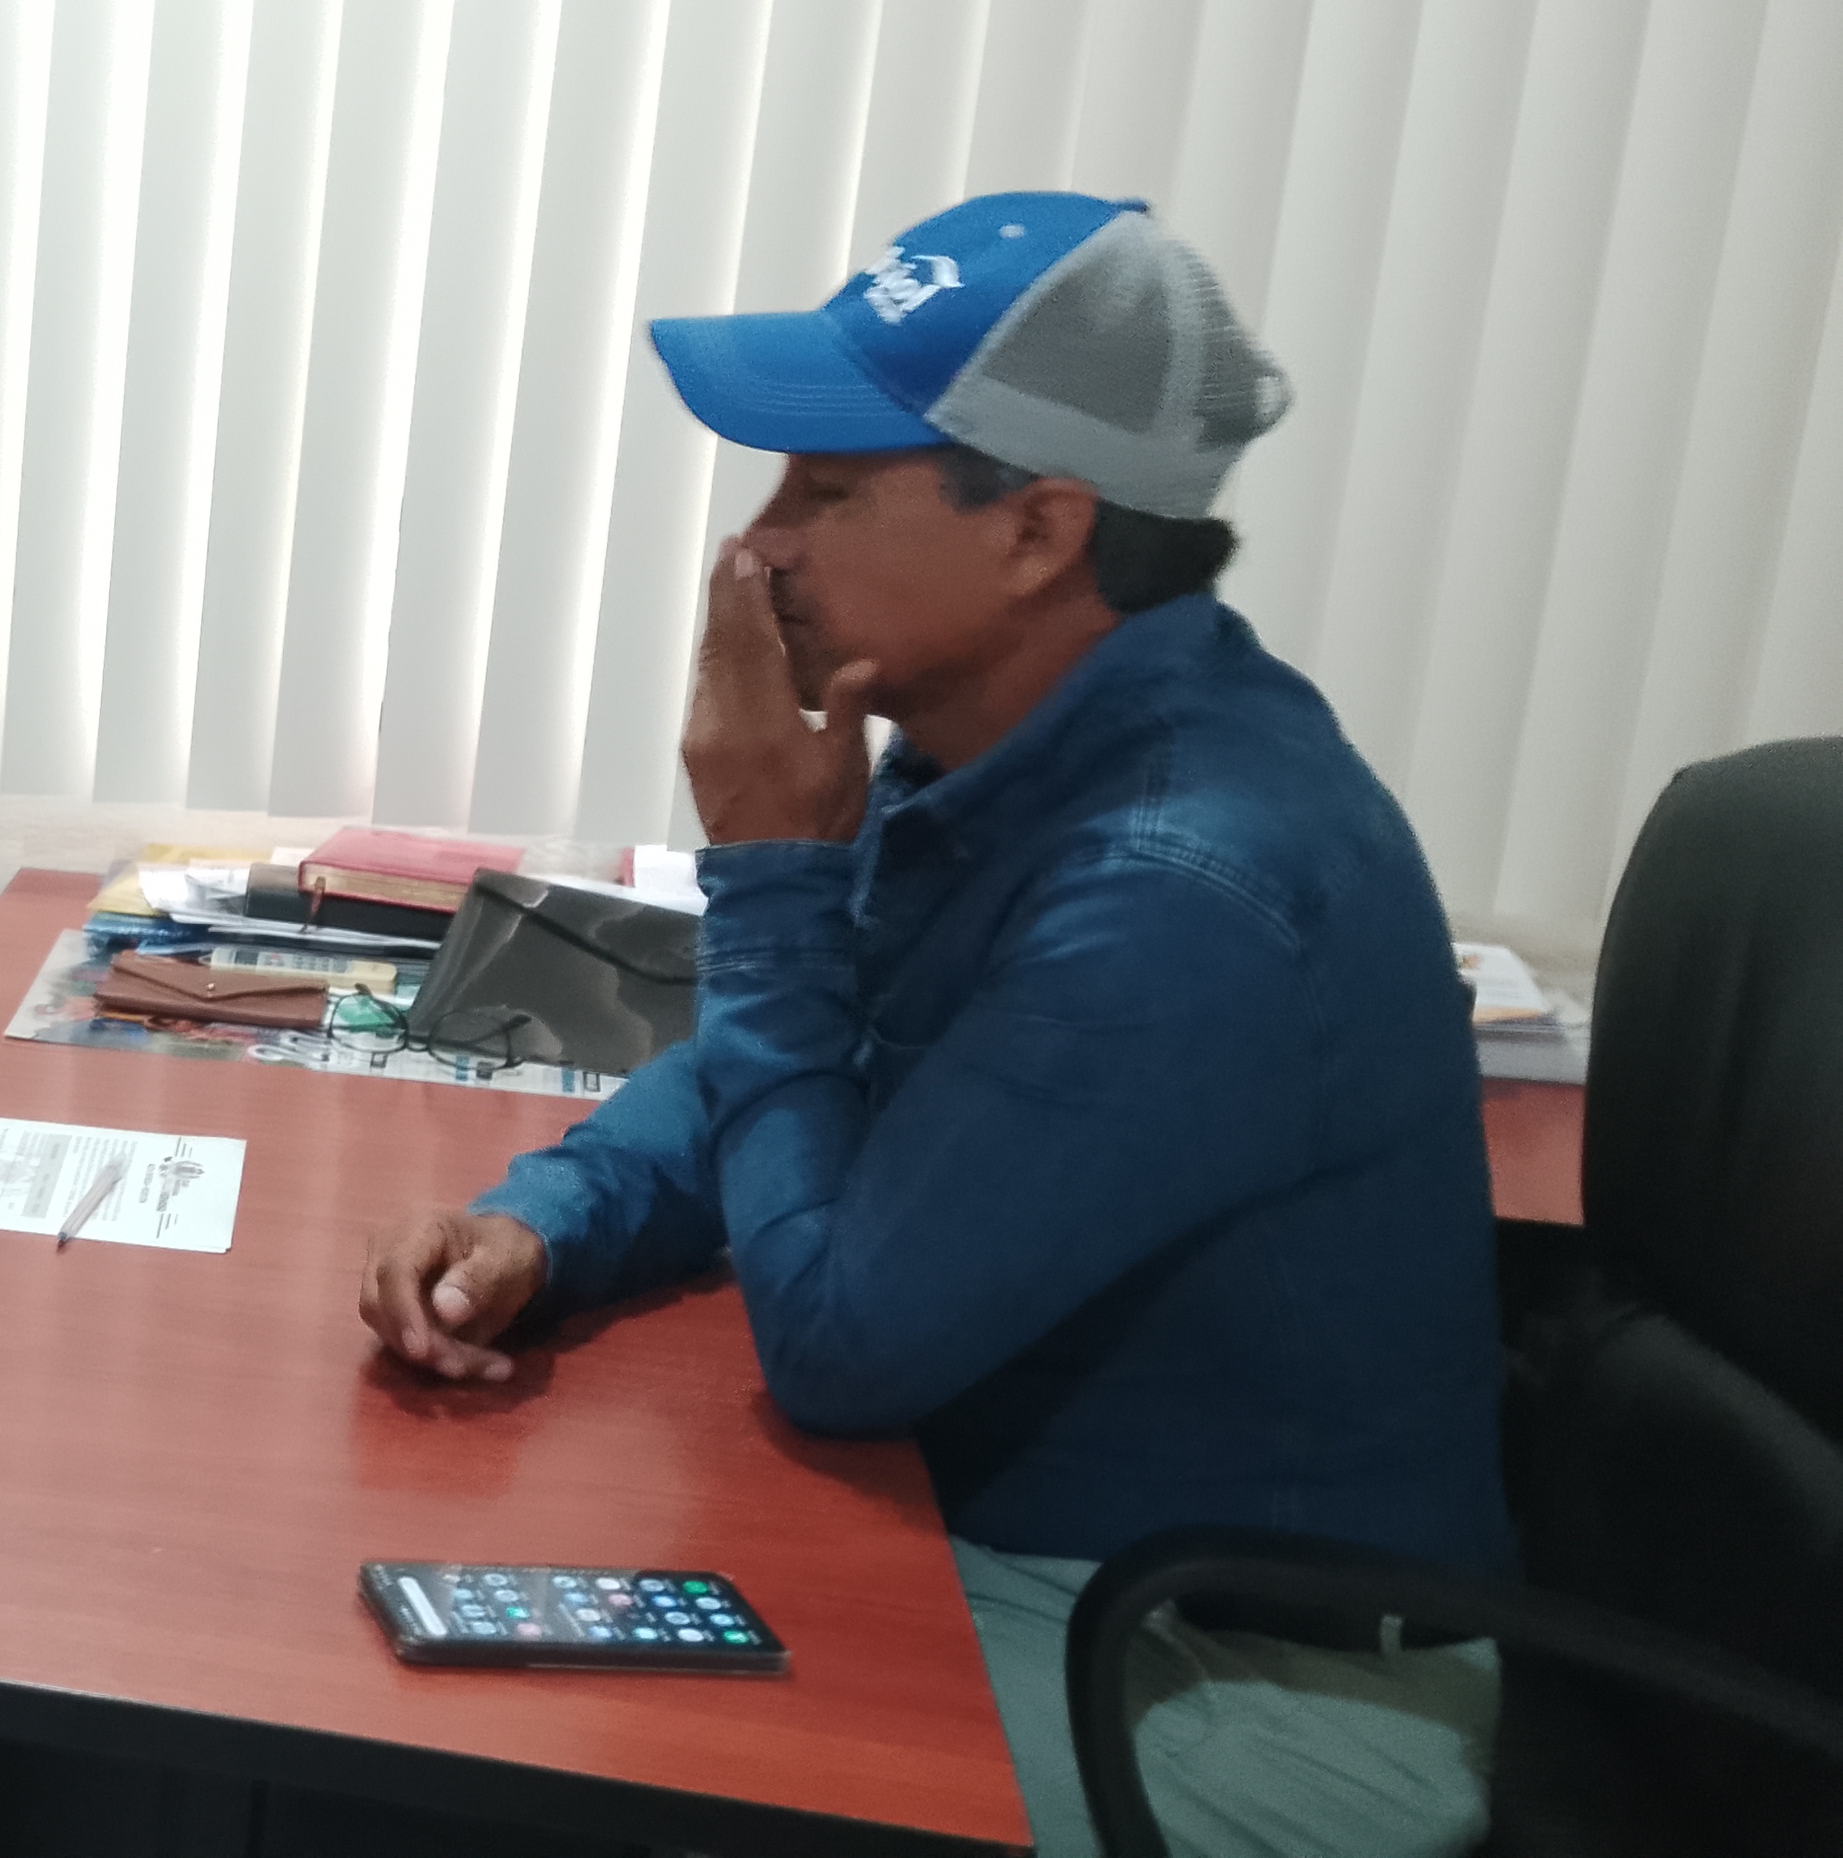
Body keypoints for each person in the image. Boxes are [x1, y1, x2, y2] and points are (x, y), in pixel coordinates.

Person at [359, 193, 1510, 1857]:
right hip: (1023, 1541)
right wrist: (548, 1218)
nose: (758, 546)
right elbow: (802, 1057)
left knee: (525, 1750)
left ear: (1039, 529)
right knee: (450, 1635)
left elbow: (840, 1348)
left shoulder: (1182, 880)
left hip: (1237, 1685)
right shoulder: (1004, 746)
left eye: (827, 494)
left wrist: (771, 870)